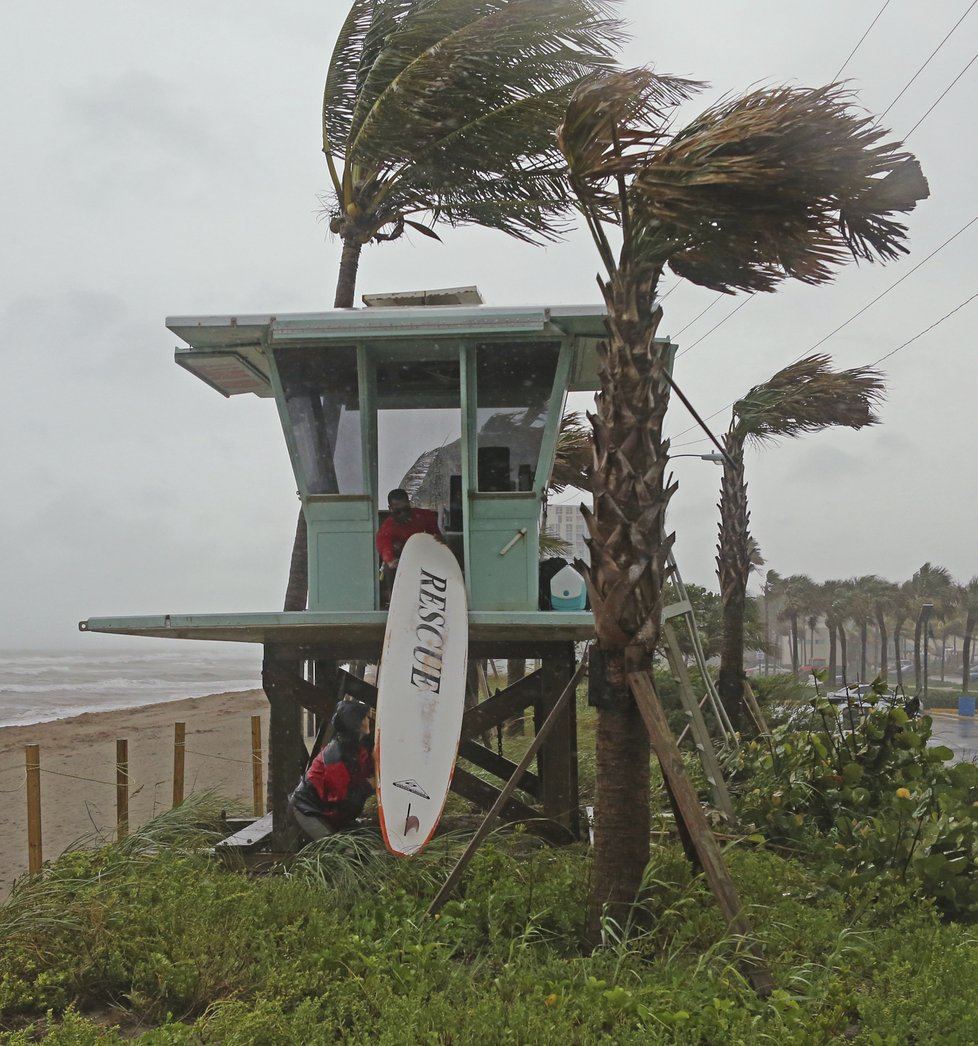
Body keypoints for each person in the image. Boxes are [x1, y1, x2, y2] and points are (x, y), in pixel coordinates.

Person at [287, 700, 375, 840]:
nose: (368, 720)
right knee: (339, 850)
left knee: (364, 842)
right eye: (364, 717)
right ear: (356, 725)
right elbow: (344, 800)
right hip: (307, 811)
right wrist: (369, 786)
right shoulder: (335, 757)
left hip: (327, 811)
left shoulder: (356, 748)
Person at [375, 488, 444, 600]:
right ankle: (394, 599)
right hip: (400, 561)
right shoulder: (388, 527)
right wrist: (391, 560)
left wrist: (439, 541)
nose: (403, 514)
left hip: (423, 557)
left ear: (409, 504)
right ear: (390, 509)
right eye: (398, 512)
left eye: (406, 510)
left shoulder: (423, 516)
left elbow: (437, 537)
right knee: (390, 569)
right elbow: (384, 545)